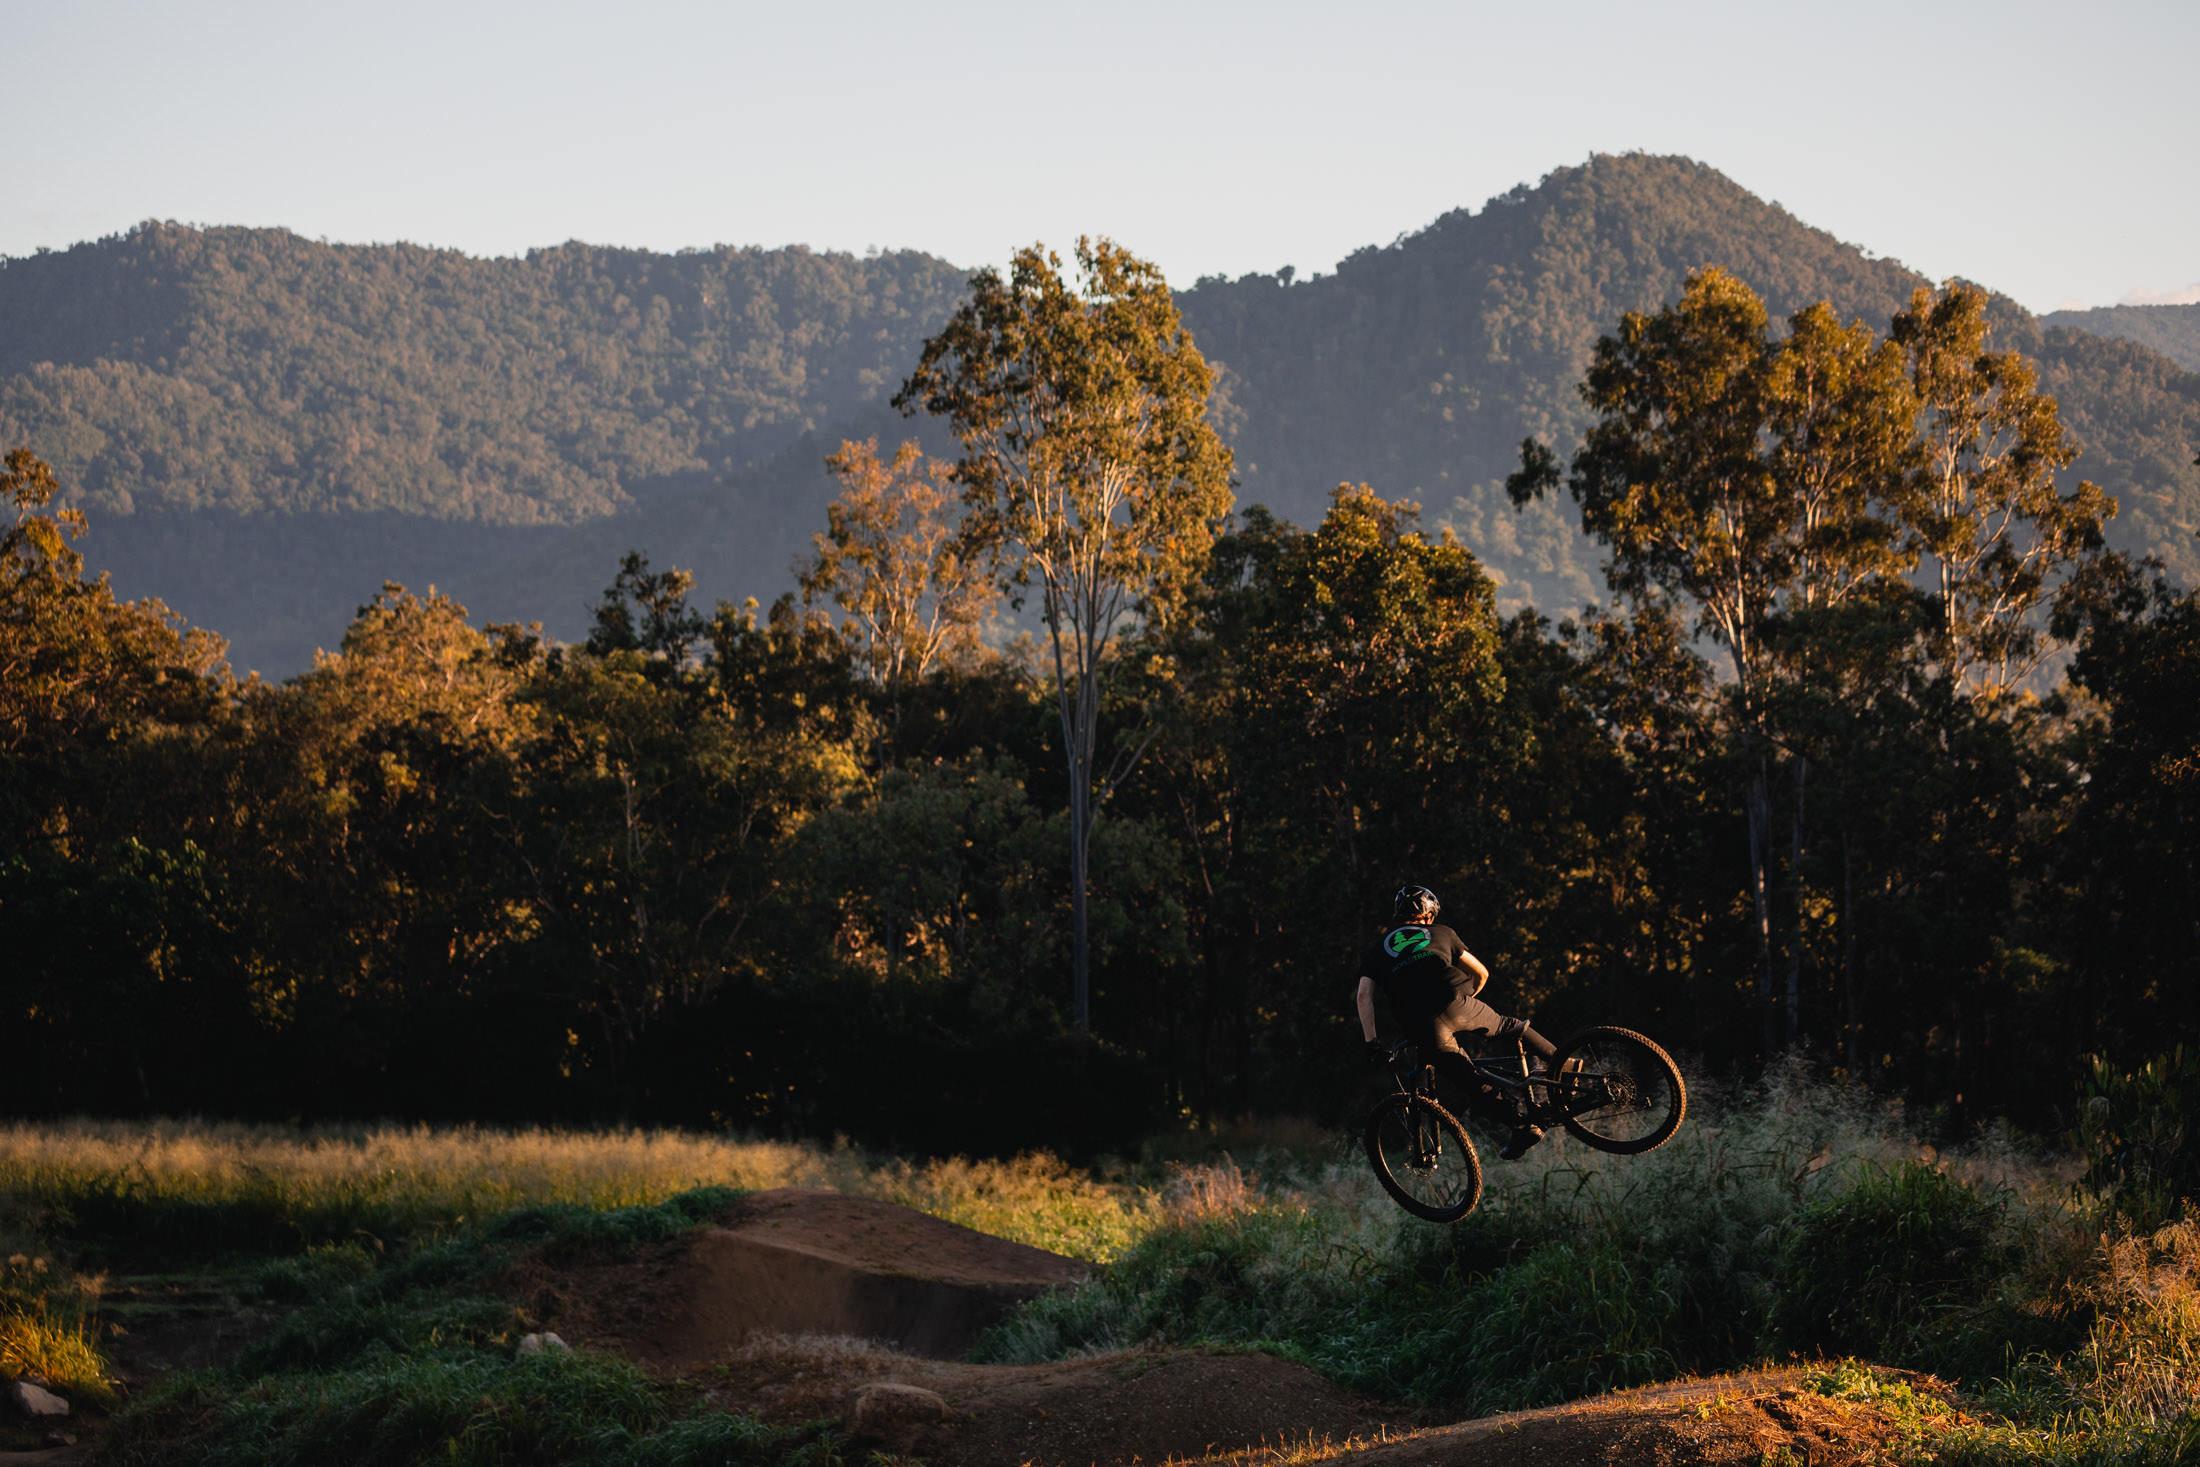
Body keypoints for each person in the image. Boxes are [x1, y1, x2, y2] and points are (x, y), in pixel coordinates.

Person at [1355, 884, 1558, 1159]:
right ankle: (1563, 1062)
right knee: (1510, 1027)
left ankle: (1522, 1124)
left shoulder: (1376, 949)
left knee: (1470, 1080)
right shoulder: (1443, 932)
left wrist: (1372, 1043)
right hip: (1455, 1002)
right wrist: (1465, 1002)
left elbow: (1364, 996)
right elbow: (1481, 973)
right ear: (1429, 916)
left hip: (1422, 1026)